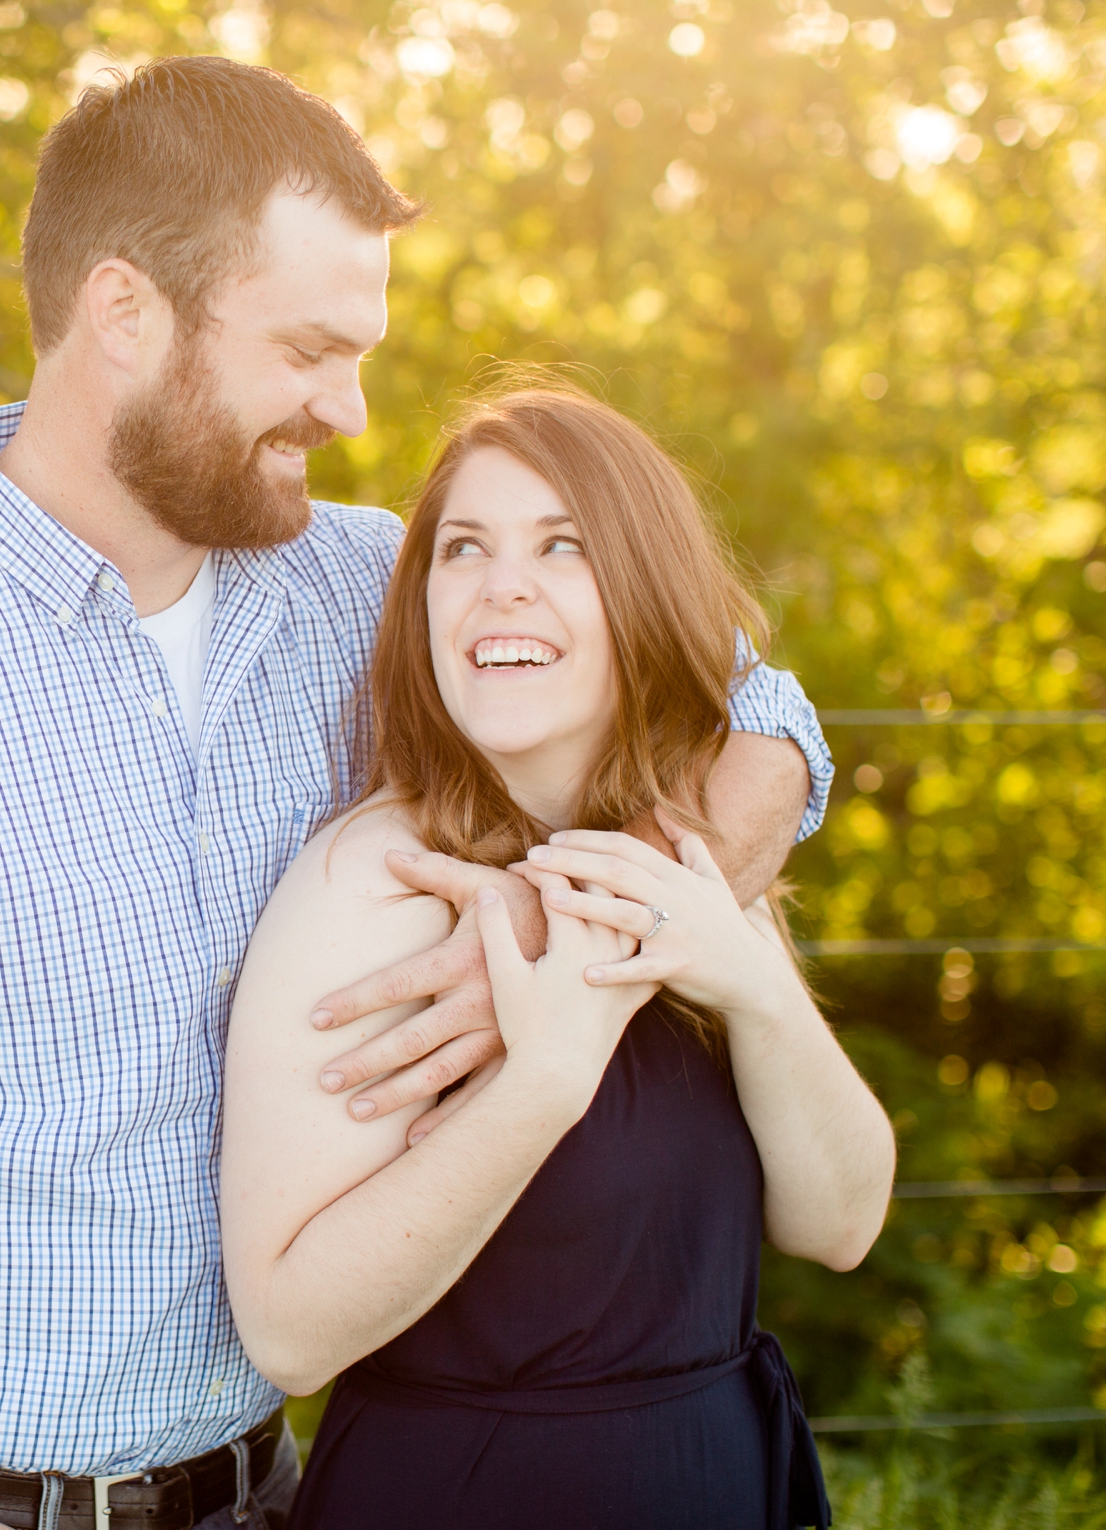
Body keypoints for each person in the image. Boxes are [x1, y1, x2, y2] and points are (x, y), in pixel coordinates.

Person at [0, 57, 834, 1530]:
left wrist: (598, 939)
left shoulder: (365, 587)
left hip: (278, 1492)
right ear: (125, 313)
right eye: (307, 350)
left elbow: (755, 702)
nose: (350, 411)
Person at [219, 380, 894, 1529]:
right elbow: (290, 1331)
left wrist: (748, 986)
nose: (502, 585)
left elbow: (839, 1221)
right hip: (468, 1491)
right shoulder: (380, 882)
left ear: (643, 593)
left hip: (718, 1473)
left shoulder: (686, 848)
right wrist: (543, 1080)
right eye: (463, 548)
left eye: (563, 545)